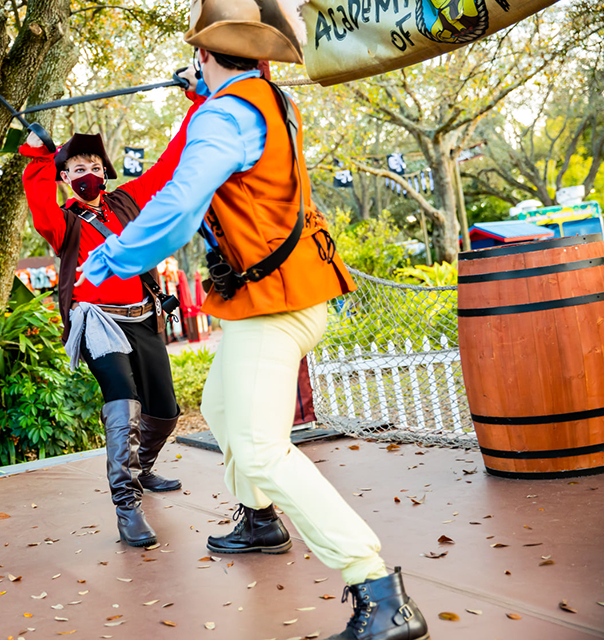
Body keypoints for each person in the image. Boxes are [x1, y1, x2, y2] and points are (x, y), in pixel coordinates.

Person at [76, 2, 430, 638]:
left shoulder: (224, 114)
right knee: (219, 405)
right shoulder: (261, 98)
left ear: (205, 53)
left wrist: (113, 257)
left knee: (262, 448)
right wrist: (202, 95)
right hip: (283, 294)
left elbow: (181, 206)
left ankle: (377, 592)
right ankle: (260, 521)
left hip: (276, 305)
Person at [19, 83, 205, 548]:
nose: (89, 174)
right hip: (96, 322)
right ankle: (127, 506)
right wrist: (38, 156)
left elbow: (169, 164)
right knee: (123, 402)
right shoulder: (63, 222)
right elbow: (38, 203)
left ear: (106, 172)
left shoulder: (127, 201)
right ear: (65, 177)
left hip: (142, 316)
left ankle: (142, 469)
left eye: (96, 167)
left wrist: (199, 101)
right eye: (78, 169)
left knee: (165, 411)